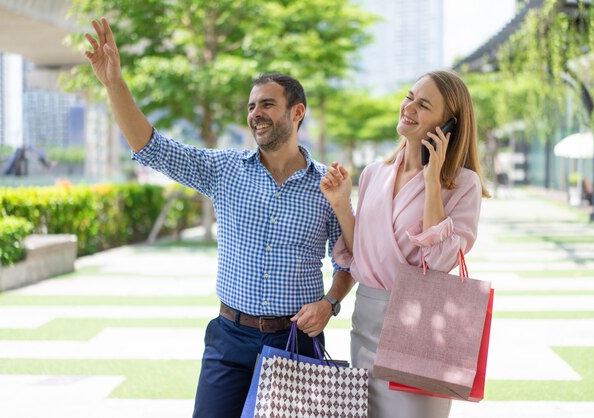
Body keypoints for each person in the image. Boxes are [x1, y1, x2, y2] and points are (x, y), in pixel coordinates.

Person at [84, 17, 354, 418]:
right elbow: (152, 147)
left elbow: (349, 260)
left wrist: (330, 303)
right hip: (229, 339)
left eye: (267, 104)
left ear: (297, 112)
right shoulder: (223, 169)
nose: (255, 113)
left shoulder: (328, 186)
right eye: (250, 106)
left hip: (293, 345)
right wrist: (114, 84)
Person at [320, 70, 490, 418]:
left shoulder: (462, 184)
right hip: (366, 321)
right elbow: (361, 253)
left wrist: (432, 180)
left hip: (421, 324)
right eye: (410, 96)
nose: (409, 107)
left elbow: (441, 260)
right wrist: (340, 203)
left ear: (449, 126)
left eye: (423, 104)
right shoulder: (374, 174)